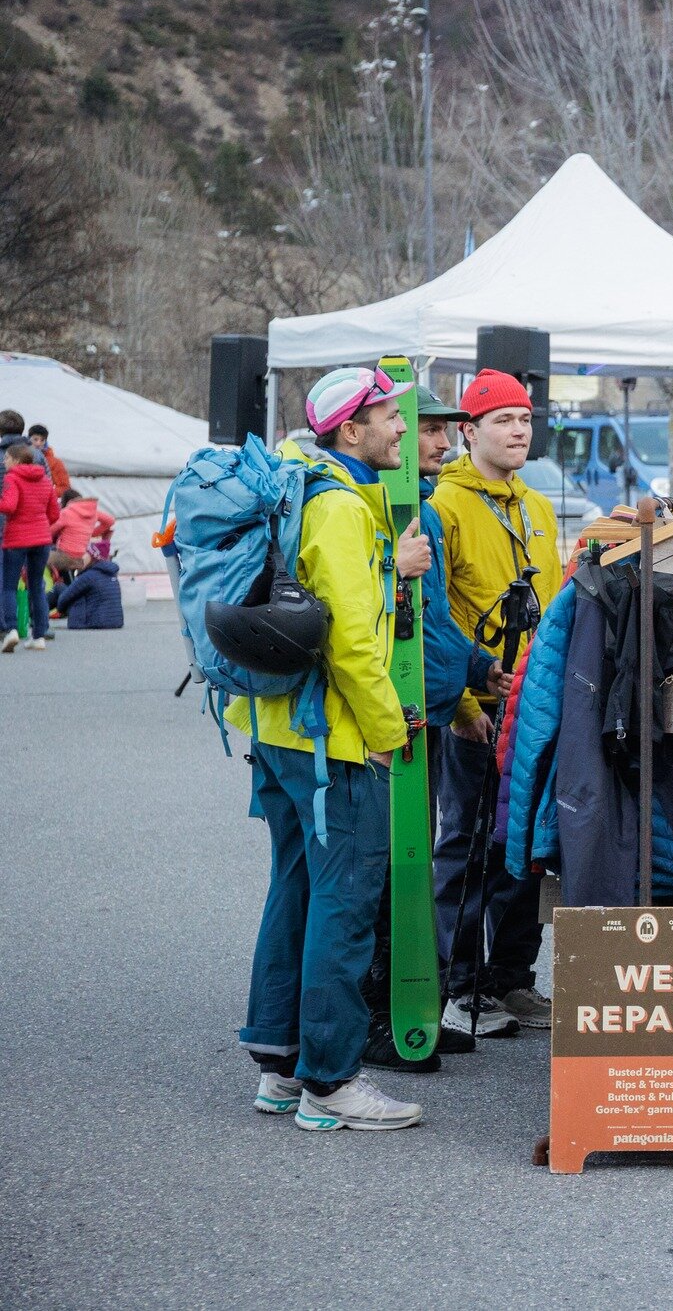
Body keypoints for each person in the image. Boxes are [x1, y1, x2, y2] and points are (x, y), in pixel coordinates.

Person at [234, 366, 429, 1131]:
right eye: (390, 417)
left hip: (280, 730)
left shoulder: (300, 484)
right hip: (335, 743)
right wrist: (387, 733)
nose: (402, 430)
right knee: (343, 906)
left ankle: (279, 1068)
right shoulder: (343, 506)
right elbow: (351, 641)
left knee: (295, 894)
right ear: (350, 431)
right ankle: (331, 1082)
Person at [360, 384, 507, 1072]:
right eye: (428, 430)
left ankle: (409, 1010)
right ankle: (375, 1024)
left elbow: (434, 620)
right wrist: (395, 574)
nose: (443, 445)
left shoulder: (413, 505)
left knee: (407, 871)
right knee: (382, 876)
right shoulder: (377, 507)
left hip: (418, 711)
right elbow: (358, 607)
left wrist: (476, 670)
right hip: (381, 720)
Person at [429, 368, 563, 1039]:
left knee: (523, 844)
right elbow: (434, 612)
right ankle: (459, 982)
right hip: (474, 705)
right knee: (465, 841)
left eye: (525, 419)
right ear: (469, 430)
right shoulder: (444, 506)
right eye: (504, 420)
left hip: (532, 709)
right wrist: (465, 695)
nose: (518, 430)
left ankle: (511, 977)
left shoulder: (538, 507)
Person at [1, 440, 61, 653]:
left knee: (8, 585)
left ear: (16, 460)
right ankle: (39, 635)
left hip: (17, 539)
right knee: (36, 586)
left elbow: (9, 506)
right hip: (41, 539)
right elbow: (54, 513)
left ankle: (10, 630)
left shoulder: (12, 478)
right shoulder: (45, 480)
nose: (4, 461)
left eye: (7, 458)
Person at [49, 489, 114, 578]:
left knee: (40, 558)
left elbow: (50, 532)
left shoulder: (67, 512)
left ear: (66, 502)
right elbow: (110, 521)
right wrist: (91, 532)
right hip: (83, 557)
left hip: (66, 556)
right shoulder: (93, 512)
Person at [26, 425, 71, 497]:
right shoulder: (20, 457)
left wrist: (44, 493)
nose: (38, 443)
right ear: (29, 439)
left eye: (42, 440)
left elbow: (65, 487)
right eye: (35, 439)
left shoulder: (56, 463)